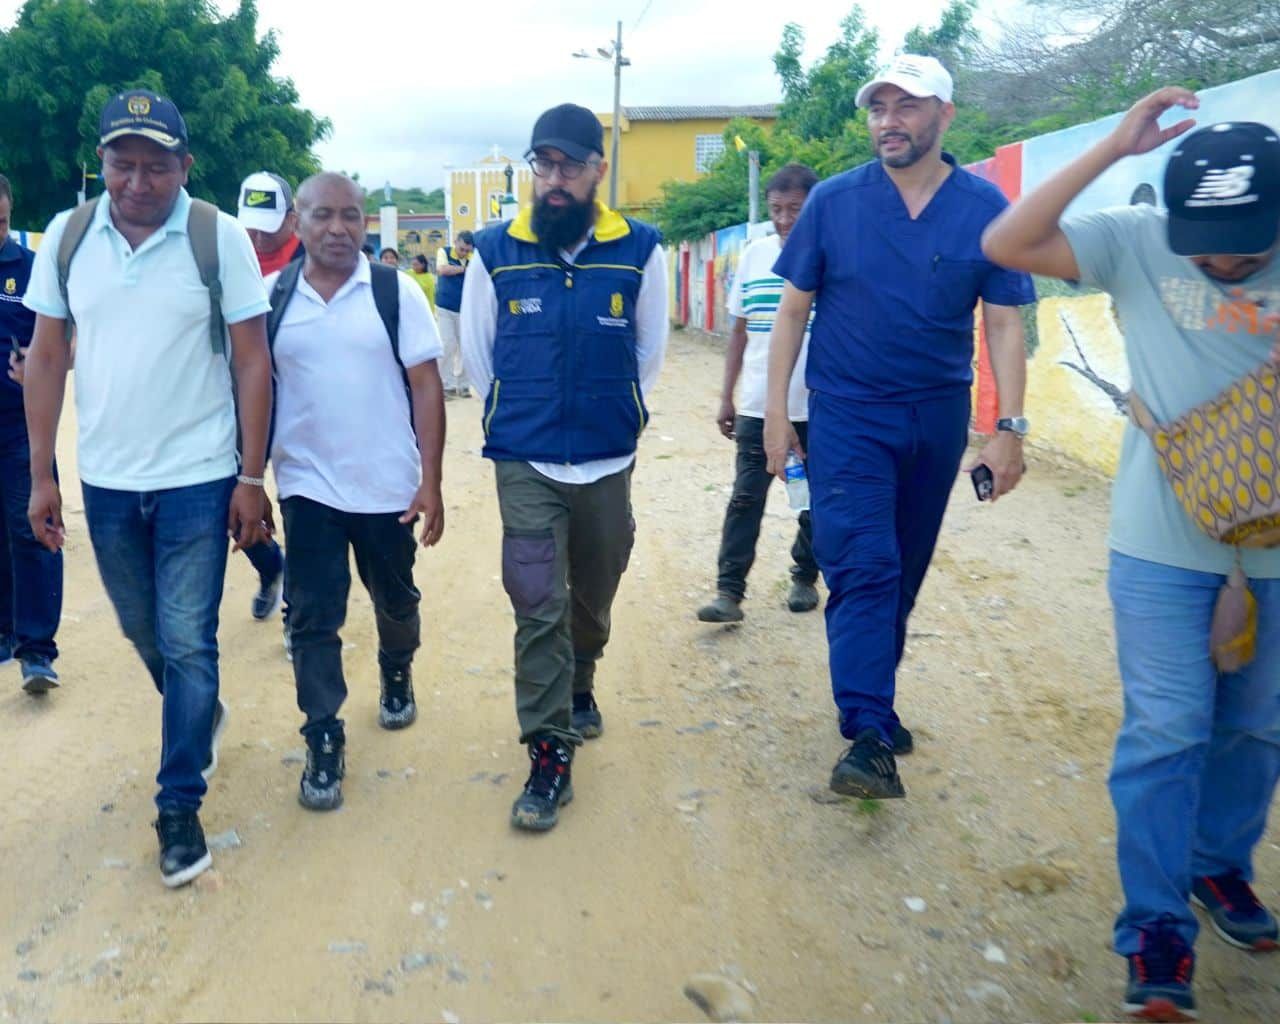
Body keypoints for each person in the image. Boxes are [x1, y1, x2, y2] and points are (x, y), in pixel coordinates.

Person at [983, 92, 1280, 1023]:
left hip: (1276, 551)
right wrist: (1114, 146)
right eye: (1205, 242)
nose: (1220, 261)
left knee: (1256, 727)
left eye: (1243, 244)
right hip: (1161, 543)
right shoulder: (1138, 239)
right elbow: (1008, 242)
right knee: (1168, 729)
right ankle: (1155, 925)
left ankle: (1217, 868)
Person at [764, 55, 1035, 800]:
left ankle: (872, 700)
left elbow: (1003, 323)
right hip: (848, 412)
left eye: (907, 106)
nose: (889, 120)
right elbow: (792, 311)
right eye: (879, 107)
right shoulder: (835, 202)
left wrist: (1008, 428)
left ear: (945, 114)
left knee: (904, 569)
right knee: (864, 564)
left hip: (937, 416)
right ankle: (869, 734)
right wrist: (778, 415)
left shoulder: (986, 207)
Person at [21, 90, 273, 888]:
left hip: (199, 476)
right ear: (100, 164)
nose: (137, 182)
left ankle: (179, 807)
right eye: (122, 164)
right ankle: (198, 711)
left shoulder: (216, 237)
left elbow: (252, 360)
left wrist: (251, 475)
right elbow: (47, 356)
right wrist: (41, 474)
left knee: (190, 639)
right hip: (107, 478)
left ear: (184, 166)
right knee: (144, 632)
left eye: (156, 166)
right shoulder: (67, 238)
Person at [461, 103, 668, 831]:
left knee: (594, 590)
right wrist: (522, 415)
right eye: (543, 165)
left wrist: (614, 414)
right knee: (537, 601)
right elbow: (479, 357)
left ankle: (582, 677)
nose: (554, 179)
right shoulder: (494, 251)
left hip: (607, 459)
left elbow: (648, 354)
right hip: (526, 458)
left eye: (569, 166)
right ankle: (549, 752)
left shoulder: (639, 250)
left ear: (596, 171)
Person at [268, 172, 445, 812]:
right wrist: (249, 479)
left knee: (394, 601)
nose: (338, 228)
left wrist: (431, 480)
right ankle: (323, 734)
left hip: (387, 486)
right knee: (312, 616)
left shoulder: (395, 292)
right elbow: (254, 387)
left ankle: (397, 667)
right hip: (307, 486)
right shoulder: (272, 297)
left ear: (365, 224)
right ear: (298, 222)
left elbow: (426, 386)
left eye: (351, 216)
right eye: (323, 215)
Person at [697, 163, 821, 624]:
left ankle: (805, 576)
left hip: (817, 408)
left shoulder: (831, 257)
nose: (785, 219)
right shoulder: (754, 255)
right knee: (745, 499)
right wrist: (726, 396)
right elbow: (739, 334)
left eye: (795, 209)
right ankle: (729, 592)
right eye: (776, 209)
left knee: (815, 502)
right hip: (758, 407)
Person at [0, 173, 62, 692]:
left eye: (0, 222)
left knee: (32, 526)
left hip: (21, 424)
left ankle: (37, 651)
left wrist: (40, 367)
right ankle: (5, 632)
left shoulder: (31, 269)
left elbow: (64, 338)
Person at [235, 170, 298, 633]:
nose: (257, 237)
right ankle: (271, 564)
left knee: (304, 506)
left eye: (268, 228)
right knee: (231, 493)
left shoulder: (315, 263)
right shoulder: (230, 257)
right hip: (241, 397)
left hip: (300, 400)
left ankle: (301, 612)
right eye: (250, 227)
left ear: (292, 219)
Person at [436, 229, 473, 397]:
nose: (464, 253)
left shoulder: (473, 257)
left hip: (465, 309)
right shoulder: (443, 252)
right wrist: (465, 269)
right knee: (448, 345)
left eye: (467, 250)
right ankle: (447, 384)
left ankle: (464, 385)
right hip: (444, 306)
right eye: (462, 249)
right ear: (455, 242)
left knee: (466, 348)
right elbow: (442, 270)